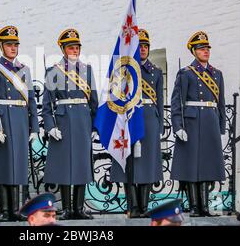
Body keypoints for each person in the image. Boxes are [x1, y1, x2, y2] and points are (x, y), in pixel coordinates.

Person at [0, 25, 39, 222]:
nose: (13, 48)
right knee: (3, 166)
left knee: (19, 166)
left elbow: (30, 100)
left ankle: (19, 209)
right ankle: (5, 211)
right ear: (1, 46)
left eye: (15, 44)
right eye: (9, 45)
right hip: (3, 120)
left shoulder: (25, 70)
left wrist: (35, 126)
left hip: (21, 120)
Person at [42, 28, 99, 220]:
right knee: (65, 166)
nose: (75, 50)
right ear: (63, 50)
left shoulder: (87, 70)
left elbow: (94, 102)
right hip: (64, 121)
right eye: (71, 48)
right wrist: (50, 127)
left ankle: (79, 208)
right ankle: (67, 208)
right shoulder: (53, 72)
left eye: (77, 47)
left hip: (83, 120)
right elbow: (47, 105)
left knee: (82, 164)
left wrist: (94, 127)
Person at [170, 31, 226, 217]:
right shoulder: (186, 73)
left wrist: (221, 125)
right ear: (193, 51)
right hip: (192, 123)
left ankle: (205, 207)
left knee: (207, 164)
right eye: (201, 49)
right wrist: (178, 126)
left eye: (207, 48)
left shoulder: (217, 74)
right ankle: (195, 206)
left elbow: (221, 102)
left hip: (210, 121)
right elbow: (177, 101)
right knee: (191, 166)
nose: (205, 51)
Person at [110, 29, 164, 218]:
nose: (143, 49)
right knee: (129, 162)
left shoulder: (156, 72)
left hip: (150, 118)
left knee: (147, 163)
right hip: (129, 118)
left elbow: (160, 100)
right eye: (140, 46)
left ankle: (144, 206)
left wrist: (161, 124)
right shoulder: (125, 71)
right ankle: (132, 206)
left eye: (146, 46)